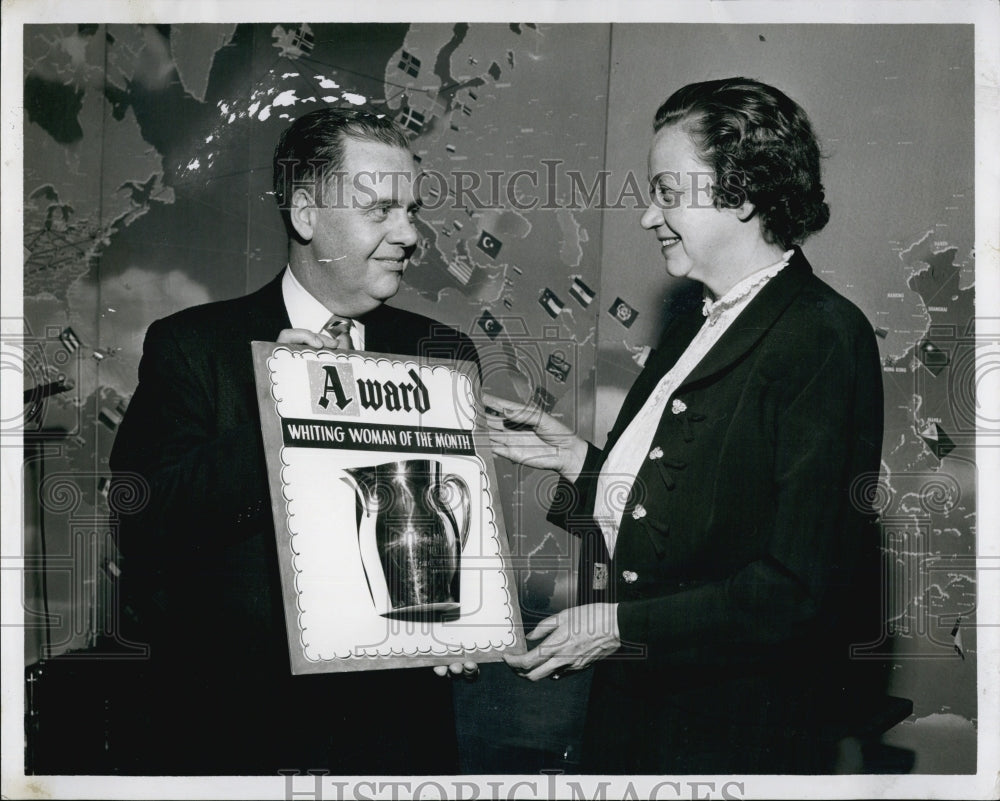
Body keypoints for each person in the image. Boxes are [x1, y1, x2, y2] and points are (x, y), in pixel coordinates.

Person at [486, 78, 885, 774]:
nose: (649, 216)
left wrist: (616, 624)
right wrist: (583, 462)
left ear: (742, 191)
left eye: (668, 192)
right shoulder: (694, 322)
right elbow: (680, 521)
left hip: (731, 736)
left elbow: (796, 589)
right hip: (640, 711)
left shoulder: (822, 336)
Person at [108, 108, 478, 775]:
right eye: (381, 210)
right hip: (241, 734)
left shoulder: (440, 351)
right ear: (306, 214)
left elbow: (449, 535)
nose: (410, 233)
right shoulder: (194, 347)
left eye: (412, 210)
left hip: (394, 736)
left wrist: (458, 613)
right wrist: (274, 417)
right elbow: (144, 521)